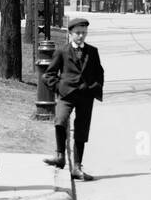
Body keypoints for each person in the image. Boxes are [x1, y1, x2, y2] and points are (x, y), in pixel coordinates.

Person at [42, 15, 105, 181]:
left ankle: (77, 167)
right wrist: (59, 87)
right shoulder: (62, 51)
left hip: (85, 96)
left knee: (81, 129)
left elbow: (100, 73)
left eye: (84, 32)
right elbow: (48, 74)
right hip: (66, 94)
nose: (81, 36)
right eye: (77, 32)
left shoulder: (93, 51)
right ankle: (60, 156)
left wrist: (93, 88)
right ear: (70, 33)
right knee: (60, 120)